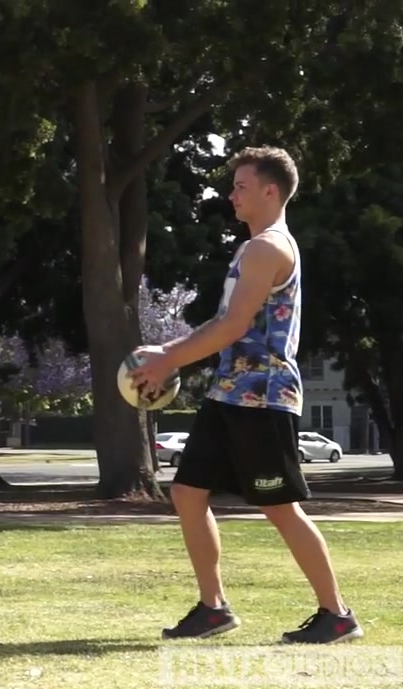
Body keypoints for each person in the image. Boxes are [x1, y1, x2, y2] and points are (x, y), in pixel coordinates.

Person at [128, 146, 362, 645]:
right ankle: (213, 608)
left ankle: (337, 615)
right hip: (230, 392)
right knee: (187, 493)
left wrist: (169, 357)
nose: (231, 195)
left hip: (263, 396)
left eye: (241, 186)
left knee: (279, 507)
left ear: (270, 191)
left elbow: (233, 325)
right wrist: (170, 354)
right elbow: (226, 323)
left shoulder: (267, 249)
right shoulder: (253, 247)